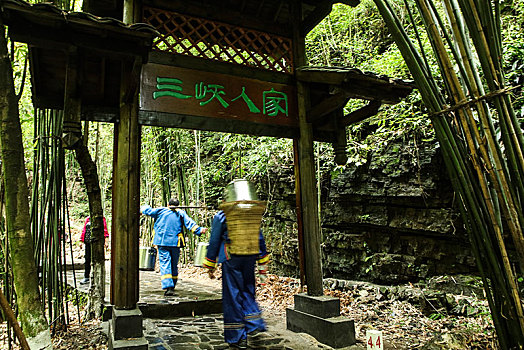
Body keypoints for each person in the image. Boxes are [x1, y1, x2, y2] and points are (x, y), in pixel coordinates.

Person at [203, 185, 269, 349]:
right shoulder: (251, 215)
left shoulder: (223, 215)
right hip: (250, 257)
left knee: (233, 296)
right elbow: (259, 238)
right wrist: (262, 263)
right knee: (248, 289)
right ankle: (253, 322)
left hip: (231, 257)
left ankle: (237, 337)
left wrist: (210, 264)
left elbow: (214, 241)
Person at [141, 198, 208, 296]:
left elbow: (148, 210)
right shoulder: (180, 213)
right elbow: (189, 223)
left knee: (165, 263)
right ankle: (173, 283)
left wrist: (142, 207)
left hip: (163, 242)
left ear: (168, 204)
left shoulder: (161, 210)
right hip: (175, 242)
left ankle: (168, 286)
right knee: (173, 263)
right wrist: (199, 229)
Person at [80, 216, 109, 285]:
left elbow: (105, 230)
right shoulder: (88, 218)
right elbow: (84, 230)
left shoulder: (101, 218)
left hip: (97, 242)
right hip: (88, 242)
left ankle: (98, 277)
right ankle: (86, 277)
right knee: (87, 259)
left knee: (97, 259)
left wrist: (106, 241)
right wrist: (81, 240)